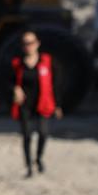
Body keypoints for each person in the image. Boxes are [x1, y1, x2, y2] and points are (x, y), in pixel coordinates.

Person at [11, 30, 61, 178]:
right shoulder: (17, 63)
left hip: (43, 103)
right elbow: (8, 81)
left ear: (37, 43)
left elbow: (56, 84)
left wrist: (58, 104)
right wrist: (15, 89)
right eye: (25, 43)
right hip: (25, 105)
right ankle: (28, 166)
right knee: (27, 135)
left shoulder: (48, 61)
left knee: (43, 133)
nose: (28, 46)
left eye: (31, 43)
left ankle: (38, 158)